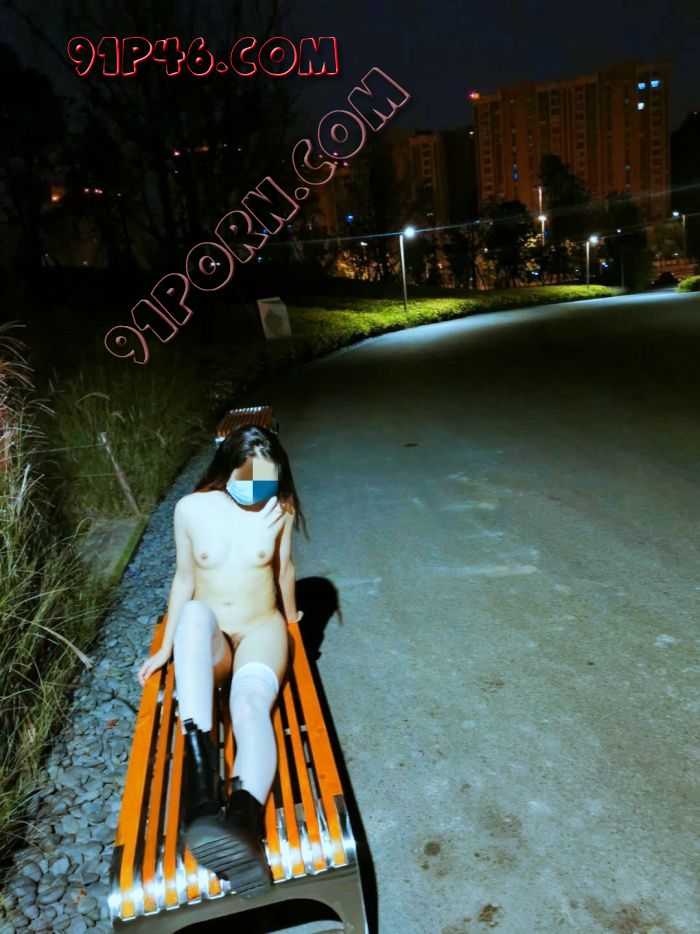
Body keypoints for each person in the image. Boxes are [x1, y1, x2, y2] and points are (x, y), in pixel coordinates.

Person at [135, 423, 308, 895]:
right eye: (250, 477)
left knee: (248, 706)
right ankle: (203, 802)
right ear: (227, 468)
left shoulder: (279, 510)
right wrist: (165, 648)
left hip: (260, 629)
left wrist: (293, 619)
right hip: (213, 637)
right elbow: (184, 579)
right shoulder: (191, 508)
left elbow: (284, 569)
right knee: (193, 615)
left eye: (269, 478)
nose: (260, 488)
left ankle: (243, 826)